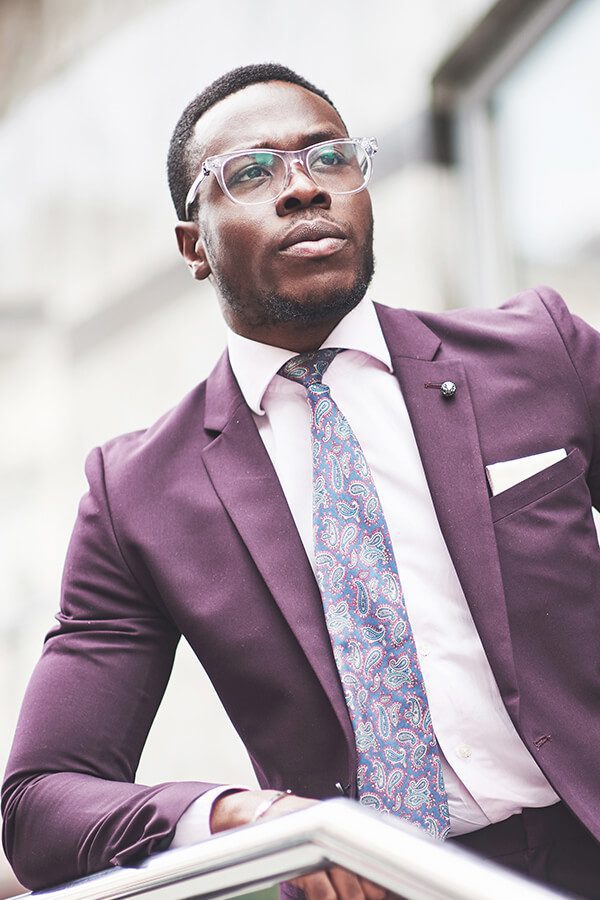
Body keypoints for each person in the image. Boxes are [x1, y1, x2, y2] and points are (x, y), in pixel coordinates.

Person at [2, 62, 600, 900]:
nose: (303, 190)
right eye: (249, 173)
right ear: (193, 246)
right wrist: (242, 818)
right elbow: (40, 803)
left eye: (331, 160)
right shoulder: (138, 493)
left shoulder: (541, 354)